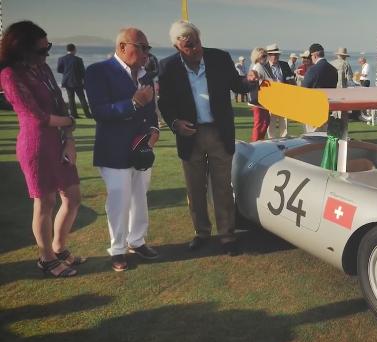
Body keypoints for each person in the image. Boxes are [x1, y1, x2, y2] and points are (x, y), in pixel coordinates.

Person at [158, 20, 253, 254]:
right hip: (189, 134)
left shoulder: (219, 57)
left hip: (219, 132)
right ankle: (201, 232)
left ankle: (227, 235)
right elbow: (165, 103)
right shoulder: (167, 67)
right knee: (195, 189)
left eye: (198, 41)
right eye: (190, 45)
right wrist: (175, 123)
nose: (196, 48)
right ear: (177, 46)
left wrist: (248, 82)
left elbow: (236, 85)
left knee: (222, 187)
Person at [0, 21, 84, 277]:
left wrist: (69, 138)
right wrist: (69, 122)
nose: (46, 54)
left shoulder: (43, 68)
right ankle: (46, 257)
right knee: (45, 202)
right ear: (21, 48)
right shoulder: (10, 75)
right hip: (36, 145)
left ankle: (59, 248)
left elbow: (59, 103)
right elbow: (36, 117)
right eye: (41, 50)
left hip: (58, 140)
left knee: (73, 197)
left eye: (48, 47)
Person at [85, 27, 160, 272]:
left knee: (140, 196)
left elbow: (150, 111)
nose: (147, 53)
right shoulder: (98, 71)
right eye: (143, 47)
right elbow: (99, 111)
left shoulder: (146, 75)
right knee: (119, 199)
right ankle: (117, 249)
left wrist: (154, 130)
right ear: (122, 47)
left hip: (141, 148)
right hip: (114, 149)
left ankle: (136, 240)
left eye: (149, 48)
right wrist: (133, 103)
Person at [302, 43, 337, 132]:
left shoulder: (313, 69)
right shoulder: (333, 70)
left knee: (312, 138)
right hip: (326, 108)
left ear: (314, 55)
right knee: (324, 137)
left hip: (313, 108)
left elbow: (304, 88)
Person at [265, 43, 293, 138]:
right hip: (271, 99)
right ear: (269, 55)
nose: (276, 56)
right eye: (274, 54)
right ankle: (271, 141)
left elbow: (291, 79)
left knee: (284, 121)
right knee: (271, 121)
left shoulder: (284, 65)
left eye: (277, 54)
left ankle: (284, 139)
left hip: (284, 97)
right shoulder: (264, 67)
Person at [57, 43, 92, 118]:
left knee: (71, 99)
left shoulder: (61, 59)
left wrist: (66, 72)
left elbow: (59, 70)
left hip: (67, 81)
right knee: (82, 98)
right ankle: (88, 114)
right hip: (77, 81)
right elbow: (83, 72)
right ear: (74, 50)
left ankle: (74, 115)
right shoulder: (78, 60)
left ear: (67, 50)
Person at [249, 47, 273, 141]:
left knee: (265, 122)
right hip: (259, 100)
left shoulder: (262, 66)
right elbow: (256, 82)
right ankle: (255, 143)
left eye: (265, 56)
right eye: (263, 56)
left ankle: (259, 141)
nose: (265, 58)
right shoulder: (257, 67)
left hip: (264, 99)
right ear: (257, 57)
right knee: (260, 123)